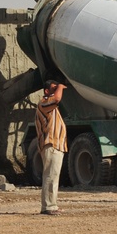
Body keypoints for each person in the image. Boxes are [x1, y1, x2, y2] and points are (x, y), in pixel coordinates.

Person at [35, 79, 67, 215]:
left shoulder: (51, 107)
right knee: (50, 175)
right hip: (51, 144)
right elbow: (57, 98)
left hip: (56, 144)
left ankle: (50, 205)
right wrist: (60, 86)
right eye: (53, 88)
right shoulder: (44, 103)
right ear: (47, 91)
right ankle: (49, 206)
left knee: (53, 176)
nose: (57, 90)